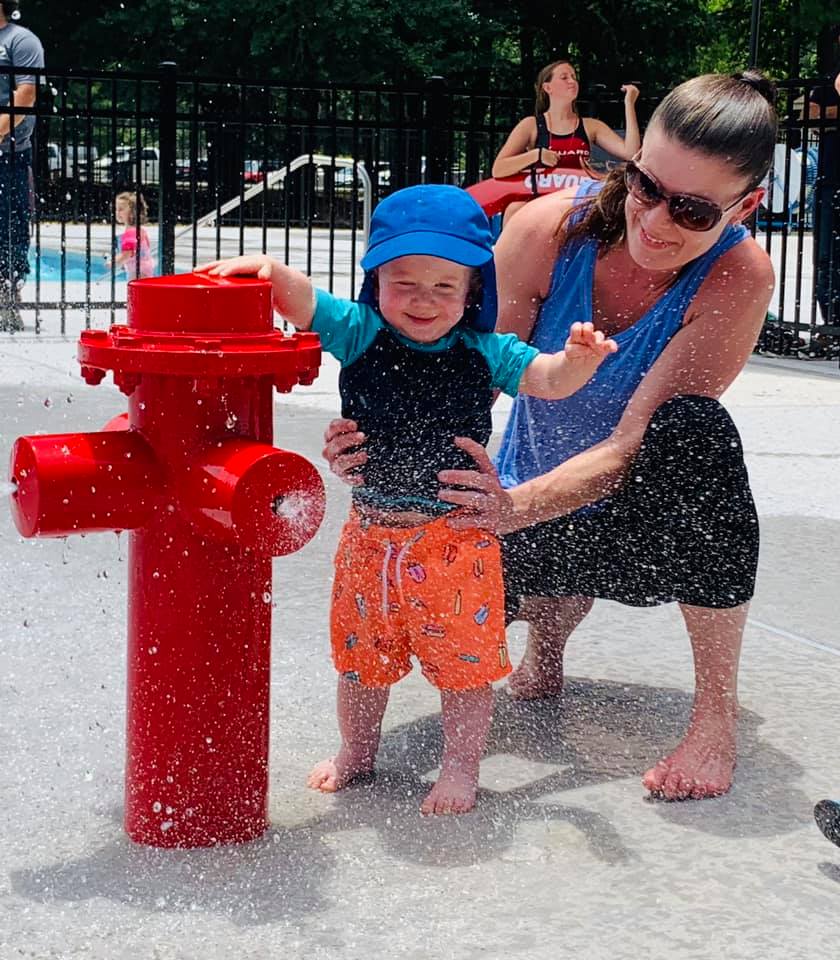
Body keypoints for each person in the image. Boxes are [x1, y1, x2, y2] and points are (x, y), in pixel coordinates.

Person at [323, 72, 778, 803]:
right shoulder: (545, 230)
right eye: (643, 185)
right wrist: (373, 444)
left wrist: (509, 510)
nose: (655, 222)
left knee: (699, 435)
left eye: (691, 210)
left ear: (745, 206)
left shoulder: (738, 273)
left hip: (629, 526)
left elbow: (634, 442)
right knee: (431, 615)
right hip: (520, 518)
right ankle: (547, 643)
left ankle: (714, 718)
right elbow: (444, 370)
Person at [197, 185, 617, 816]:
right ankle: (356, 752)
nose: (424, 300)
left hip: (455, 539)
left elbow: (550, 380)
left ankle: (459, 769)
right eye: (405, 282)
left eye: (445, 286)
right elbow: (305, 302)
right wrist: (267, 271)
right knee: (360, 663)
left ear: (473, 291)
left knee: (466, 671)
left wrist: (580, 361)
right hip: (370, 535)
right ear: (376, 281)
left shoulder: (488, 351)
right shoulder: (360, 332)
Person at [490, 60, 640, 222]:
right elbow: (499, 169)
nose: (572, 81)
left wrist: (629, 104)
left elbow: (630, 152)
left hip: (576, 202)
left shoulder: (591, 126)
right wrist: (536, 155)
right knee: (515, 208)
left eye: (574, 77)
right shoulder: (531, 125)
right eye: (564, 77)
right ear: (547, 88)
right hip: (540, 200)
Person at [0, 0, 43, 332]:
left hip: (10, 152)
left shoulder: (20, 40)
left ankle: (6, 298)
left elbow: (25, 95)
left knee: (10, 226)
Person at [808, 33, 840, 331]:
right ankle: (832, 323)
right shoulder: (828, 81)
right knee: (826, 254)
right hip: (831, 178)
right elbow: (812, 114)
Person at [111, 191, 155, 280]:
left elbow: (128, 253)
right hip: (145, 270)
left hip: (138, 272)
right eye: (116, 209)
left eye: (121, 209)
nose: (117, 212)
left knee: (134, 292)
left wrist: (114, 261)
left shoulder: (130, 233)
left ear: (132, 212)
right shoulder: (140, 230)